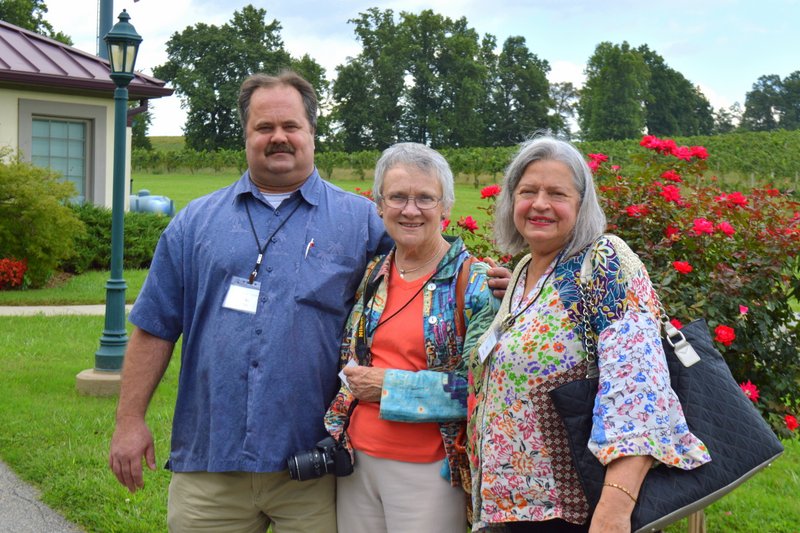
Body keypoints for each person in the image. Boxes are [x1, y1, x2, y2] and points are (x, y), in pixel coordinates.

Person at [108, 71, 509, 533]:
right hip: (210, 465)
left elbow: (424, 251)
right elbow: (155, 325)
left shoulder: (360, 221)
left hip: (313, 467)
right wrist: (129, 420)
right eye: (264, 127)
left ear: (312, 133)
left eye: (291, 126)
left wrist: (496, 281)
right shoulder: (194, 224)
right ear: (246, 134)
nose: (279, 137)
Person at [466, 136, 711, 533]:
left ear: (581, 205)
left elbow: (639, 391)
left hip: (578, 512)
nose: (540, 203)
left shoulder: (605, 260)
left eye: (556, 193)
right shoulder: (527, 269)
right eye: (528, 191)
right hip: (516, 511)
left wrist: (613, 513)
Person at [324, 143, 499, 533]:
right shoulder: (374, 274)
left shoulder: (475, 284)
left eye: (425, 198)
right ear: (380, 206)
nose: (410, 209)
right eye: (398, 197)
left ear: (446, 208)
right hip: (356, 465)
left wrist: (390, 388)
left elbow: (481, 390)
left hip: (428, 472)